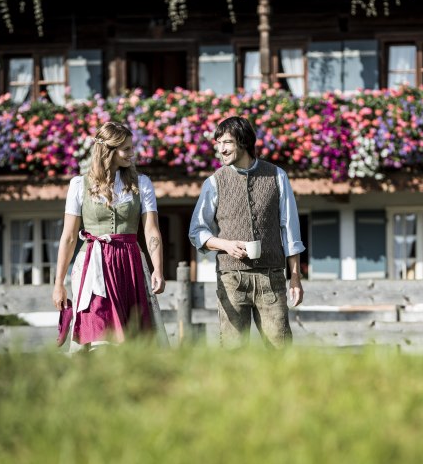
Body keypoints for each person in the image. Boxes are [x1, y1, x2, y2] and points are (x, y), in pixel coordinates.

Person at [189, 116, 305, 349]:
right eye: (218, 143)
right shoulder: (214, 182)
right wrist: (225, 245)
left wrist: (295, 277)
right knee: (233, 352)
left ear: (243, 143)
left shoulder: (277, 176)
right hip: (231, 278)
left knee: (281, 349)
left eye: (227, 142)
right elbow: (197, 231)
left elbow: (290, 231)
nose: (221, 149)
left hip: (271, 277)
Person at [52, 121, 168, 351]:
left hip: (130, 264)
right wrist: (58, 283)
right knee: (99, 337)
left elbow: (151, 230)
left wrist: (158, 269)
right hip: (92, 266)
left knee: (135, 336)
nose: (132, 153)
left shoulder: (141, 184)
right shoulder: (79, 185)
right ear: (108, 151)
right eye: (126, 149)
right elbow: (68, 237)